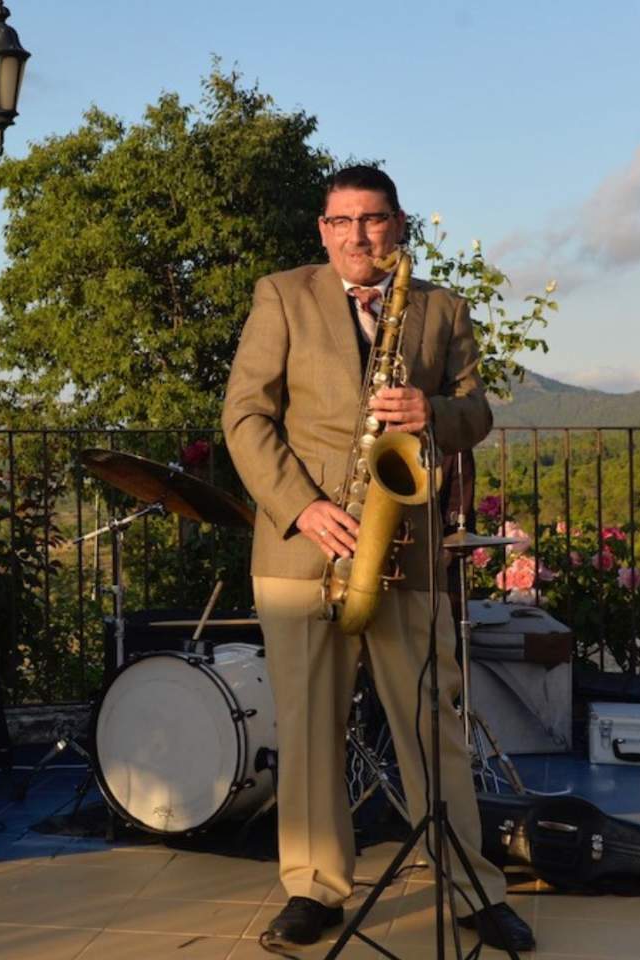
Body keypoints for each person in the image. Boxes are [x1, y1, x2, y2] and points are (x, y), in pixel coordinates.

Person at [222, 166, 534, 951]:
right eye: (340, 221)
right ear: (321, 230)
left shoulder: (439, 308)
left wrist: (433, 411)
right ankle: (315, 888)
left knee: (433, 722)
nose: (356, 236)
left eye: (371, 220)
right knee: (307, 724)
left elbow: (477, 414)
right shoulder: (281, 295)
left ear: (398, 226)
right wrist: (304, 506)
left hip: (406, 548)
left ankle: (469, 884)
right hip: (304, 549)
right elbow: (245, 417)